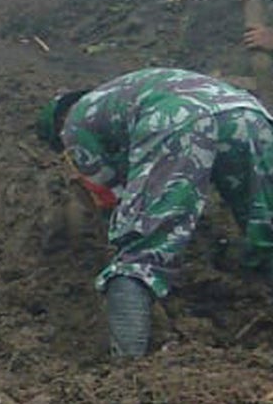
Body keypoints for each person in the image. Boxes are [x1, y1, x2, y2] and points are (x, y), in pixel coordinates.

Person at [36, 68, 273, 359]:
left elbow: (112, 196)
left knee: (140, 251)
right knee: (266, 224)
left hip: (177, 119)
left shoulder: (73, 125)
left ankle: (129, 368)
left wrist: (130, 230)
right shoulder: (126, 93)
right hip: (246, 112)